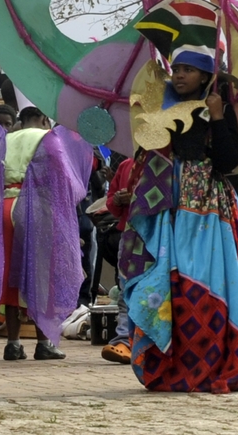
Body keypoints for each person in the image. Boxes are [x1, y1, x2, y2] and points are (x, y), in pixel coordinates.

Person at [123, 0, 238, 392]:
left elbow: (227, 161)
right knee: (172, 284)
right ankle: (171, 364)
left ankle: (214, 363)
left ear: (207, 75)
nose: (180, 75)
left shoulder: (219, 107)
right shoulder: (158, 106)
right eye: (177, 67)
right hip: (170, 209)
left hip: (210, 209)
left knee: (209, 287)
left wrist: (220, 115)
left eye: (189, 69)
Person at [0, 106, 64, 362]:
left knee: (10, 277)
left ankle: (13, 344)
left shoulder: (4, 139)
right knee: (40, 276)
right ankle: (43, 343)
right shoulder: (48, 138)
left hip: (4, 208)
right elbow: (61, 176)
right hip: (34, 208)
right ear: (44, 119)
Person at [101, 155, 136, 365]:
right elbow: (111, 201)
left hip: (155, 236)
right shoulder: (126, 165)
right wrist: (117, 200)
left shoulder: (164, 163)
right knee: (125, 291)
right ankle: (125, 339)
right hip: (128, 234)